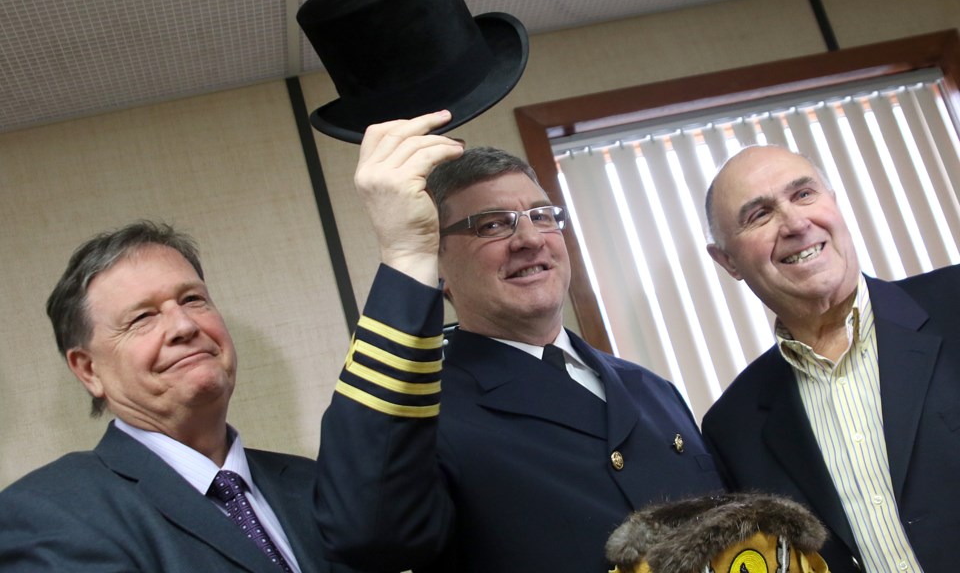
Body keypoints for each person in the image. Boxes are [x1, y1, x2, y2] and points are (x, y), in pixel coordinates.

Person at [314, 111, 725, 573]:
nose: (529, 238)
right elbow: (364, 532)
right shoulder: (424, 413)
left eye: (542, 215)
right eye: (492, 225)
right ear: (439, 267)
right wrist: (405, 254)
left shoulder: (652, 389)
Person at [0, 221, 348, 572]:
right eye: (143, 317)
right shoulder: (48, 511)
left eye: (192, 300)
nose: (184, 326)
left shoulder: (317, 485)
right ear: (89, 370)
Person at [701, 144, 960, 573]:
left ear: (835, 203)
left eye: (804, 194)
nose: (796, 223)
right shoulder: (733, 427)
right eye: (759, 215)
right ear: (728, 260)